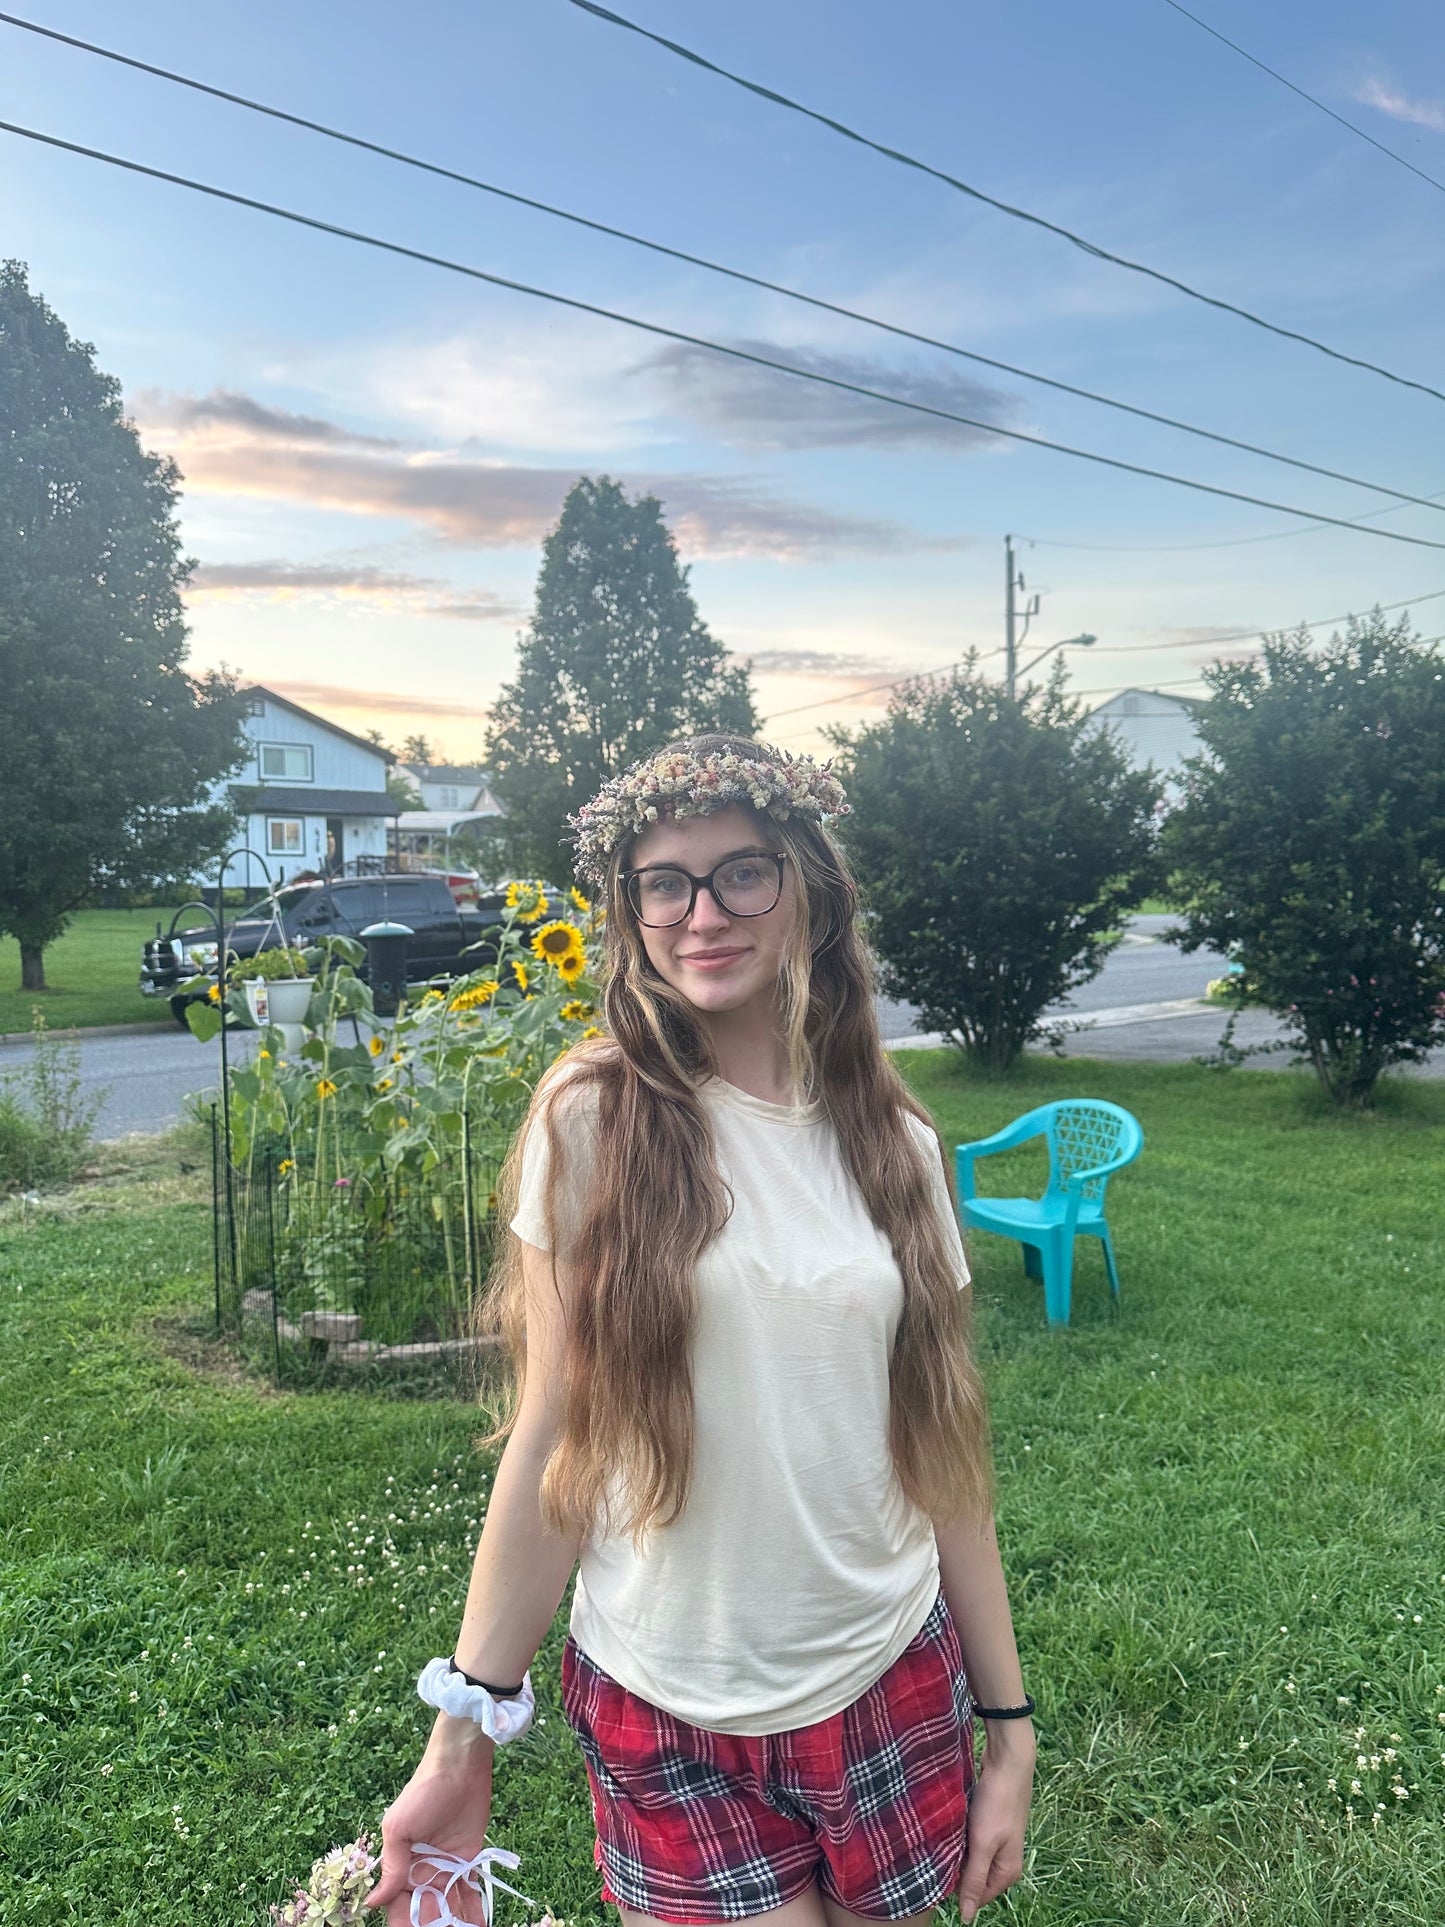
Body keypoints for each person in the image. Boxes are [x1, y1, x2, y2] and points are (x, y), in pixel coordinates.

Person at [368, 736, 1035, 1927]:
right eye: (661, 882)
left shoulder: (898, 1146)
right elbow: (548, 1442)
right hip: (665, 1702)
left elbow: (944, 1455)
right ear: (629, 911)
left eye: (742, 872)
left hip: (885, 1677)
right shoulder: (593, 1118)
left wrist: (1010, 1730)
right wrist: (458, 1739)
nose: (700, 913)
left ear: (810, 890)